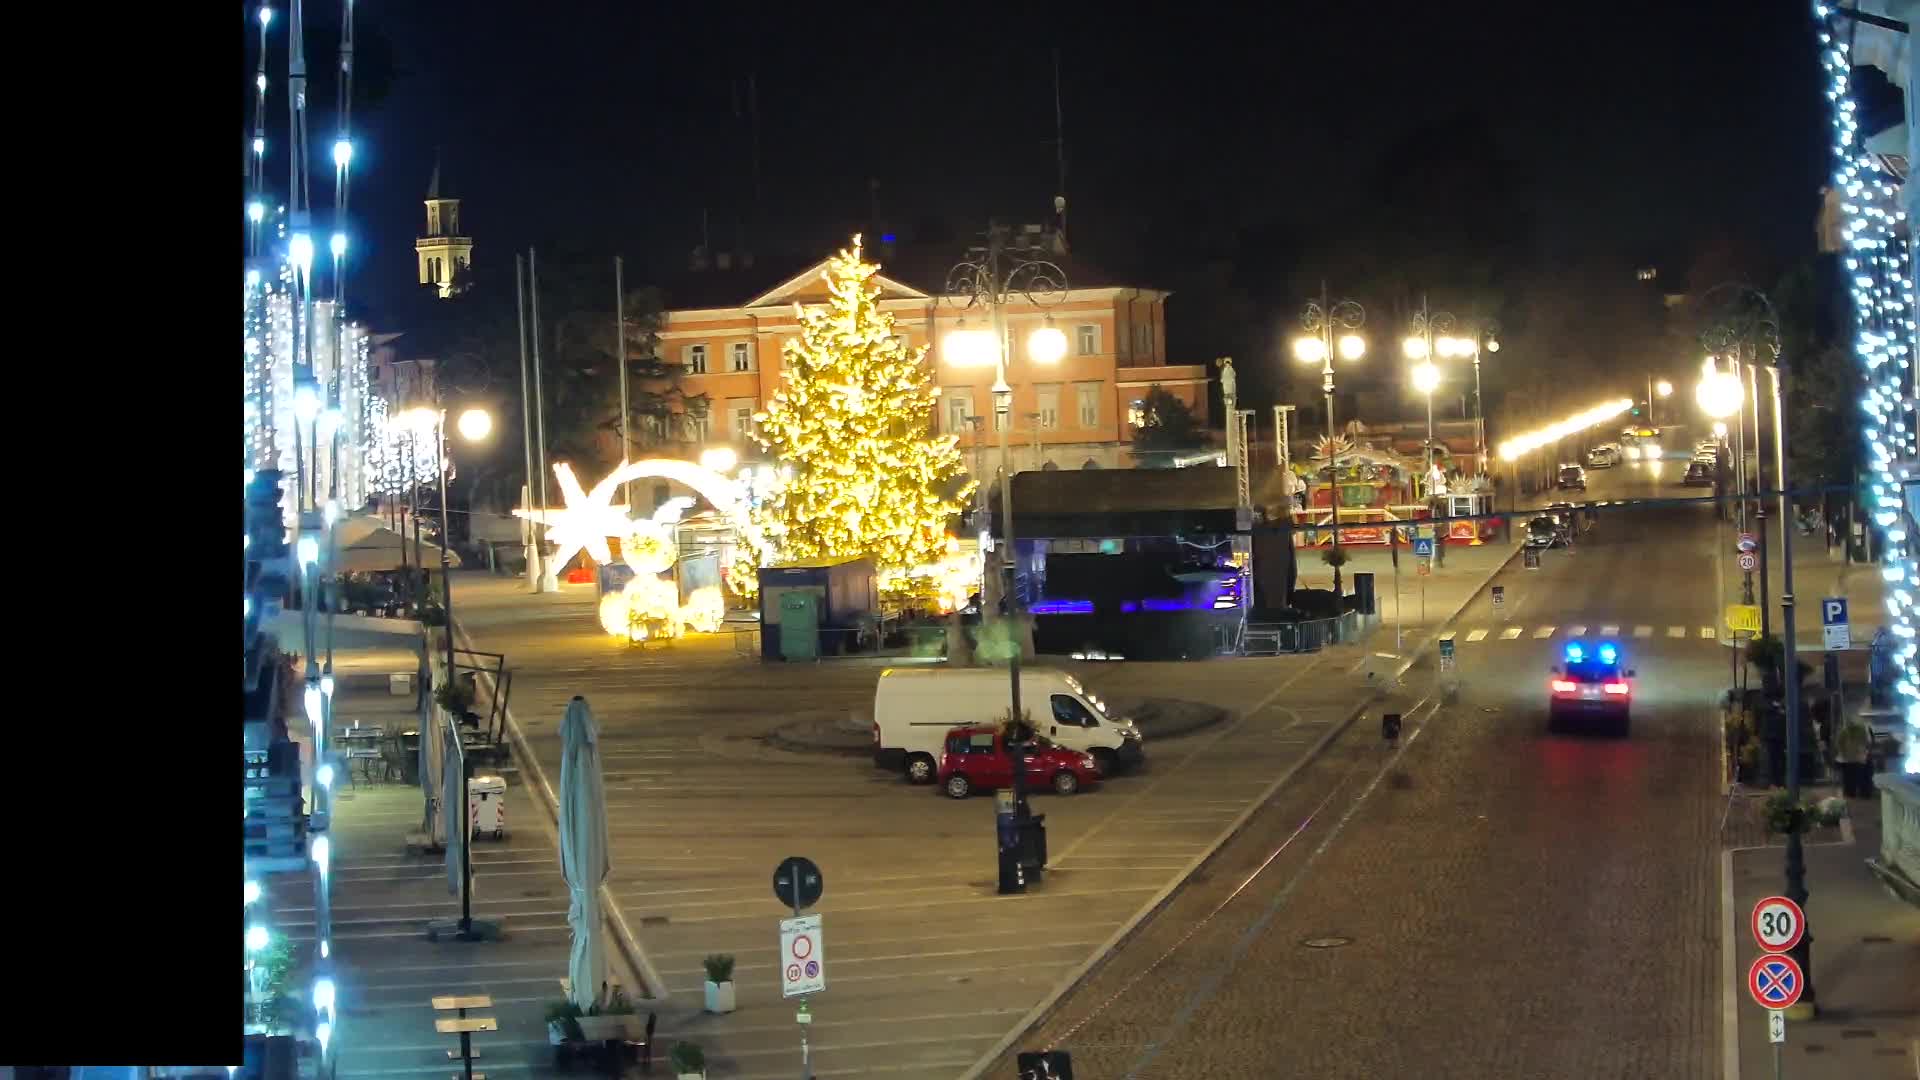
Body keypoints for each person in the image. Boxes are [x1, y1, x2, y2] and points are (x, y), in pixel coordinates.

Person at [1834, 718, 1872, 798]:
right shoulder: (1861, 730)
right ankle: (1861, 793)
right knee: (1859, 776)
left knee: (1849, 777)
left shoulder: (1845, 731)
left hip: (1849, 758)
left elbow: (1839, 744)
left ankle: (1850, 793)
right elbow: (1867, 743)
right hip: (1858, 757)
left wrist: (1843, 753)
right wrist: (1864, 752)